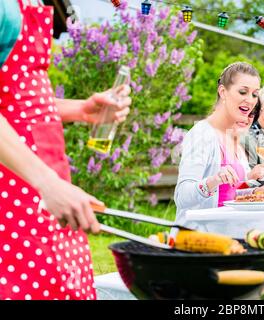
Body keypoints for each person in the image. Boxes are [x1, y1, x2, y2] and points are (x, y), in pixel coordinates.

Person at [0, 1, 131, 300]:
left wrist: (83, 110)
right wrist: (45, 182)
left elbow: (19, 97)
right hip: (14, 186)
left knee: (61, 284)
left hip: (47, 179)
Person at [174, 62, 264, 225]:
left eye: (254, 94)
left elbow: (231, 194)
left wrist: (257, 190)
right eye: (243, 92)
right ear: (223, 92)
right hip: (202, 240)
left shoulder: (233, 138)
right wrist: (213, 181)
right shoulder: (203, 133)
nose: (250, 100)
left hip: (232, 236)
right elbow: (182, 197)